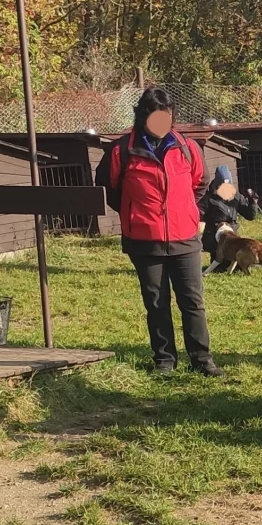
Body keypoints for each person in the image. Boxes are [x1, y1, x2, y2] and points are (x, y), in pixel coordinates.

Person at [95, 87, 223, 377]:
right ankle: (164, 360)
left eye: (167, 115)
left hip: (185, 238)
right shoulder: (120, 151)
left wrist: (190, 214)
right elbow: (111, 190)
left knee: (193, 301)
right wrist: (136, 213)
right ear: (143, 116)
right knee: (156, 302)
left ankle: (202, 360)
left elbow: (200, 184)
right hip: (144, 240)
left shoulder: (188, 148)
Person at [199, 165, 259, 273]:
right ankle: (220, 264)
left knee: (241, 253)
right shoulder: (208, 198)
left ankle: (239, 263)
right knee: (221, 265)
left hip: (232, 238)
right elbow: (199, 213)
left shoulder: (236, 196)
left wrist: (252, 201)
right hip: (214, 237)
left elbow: (250, 215)